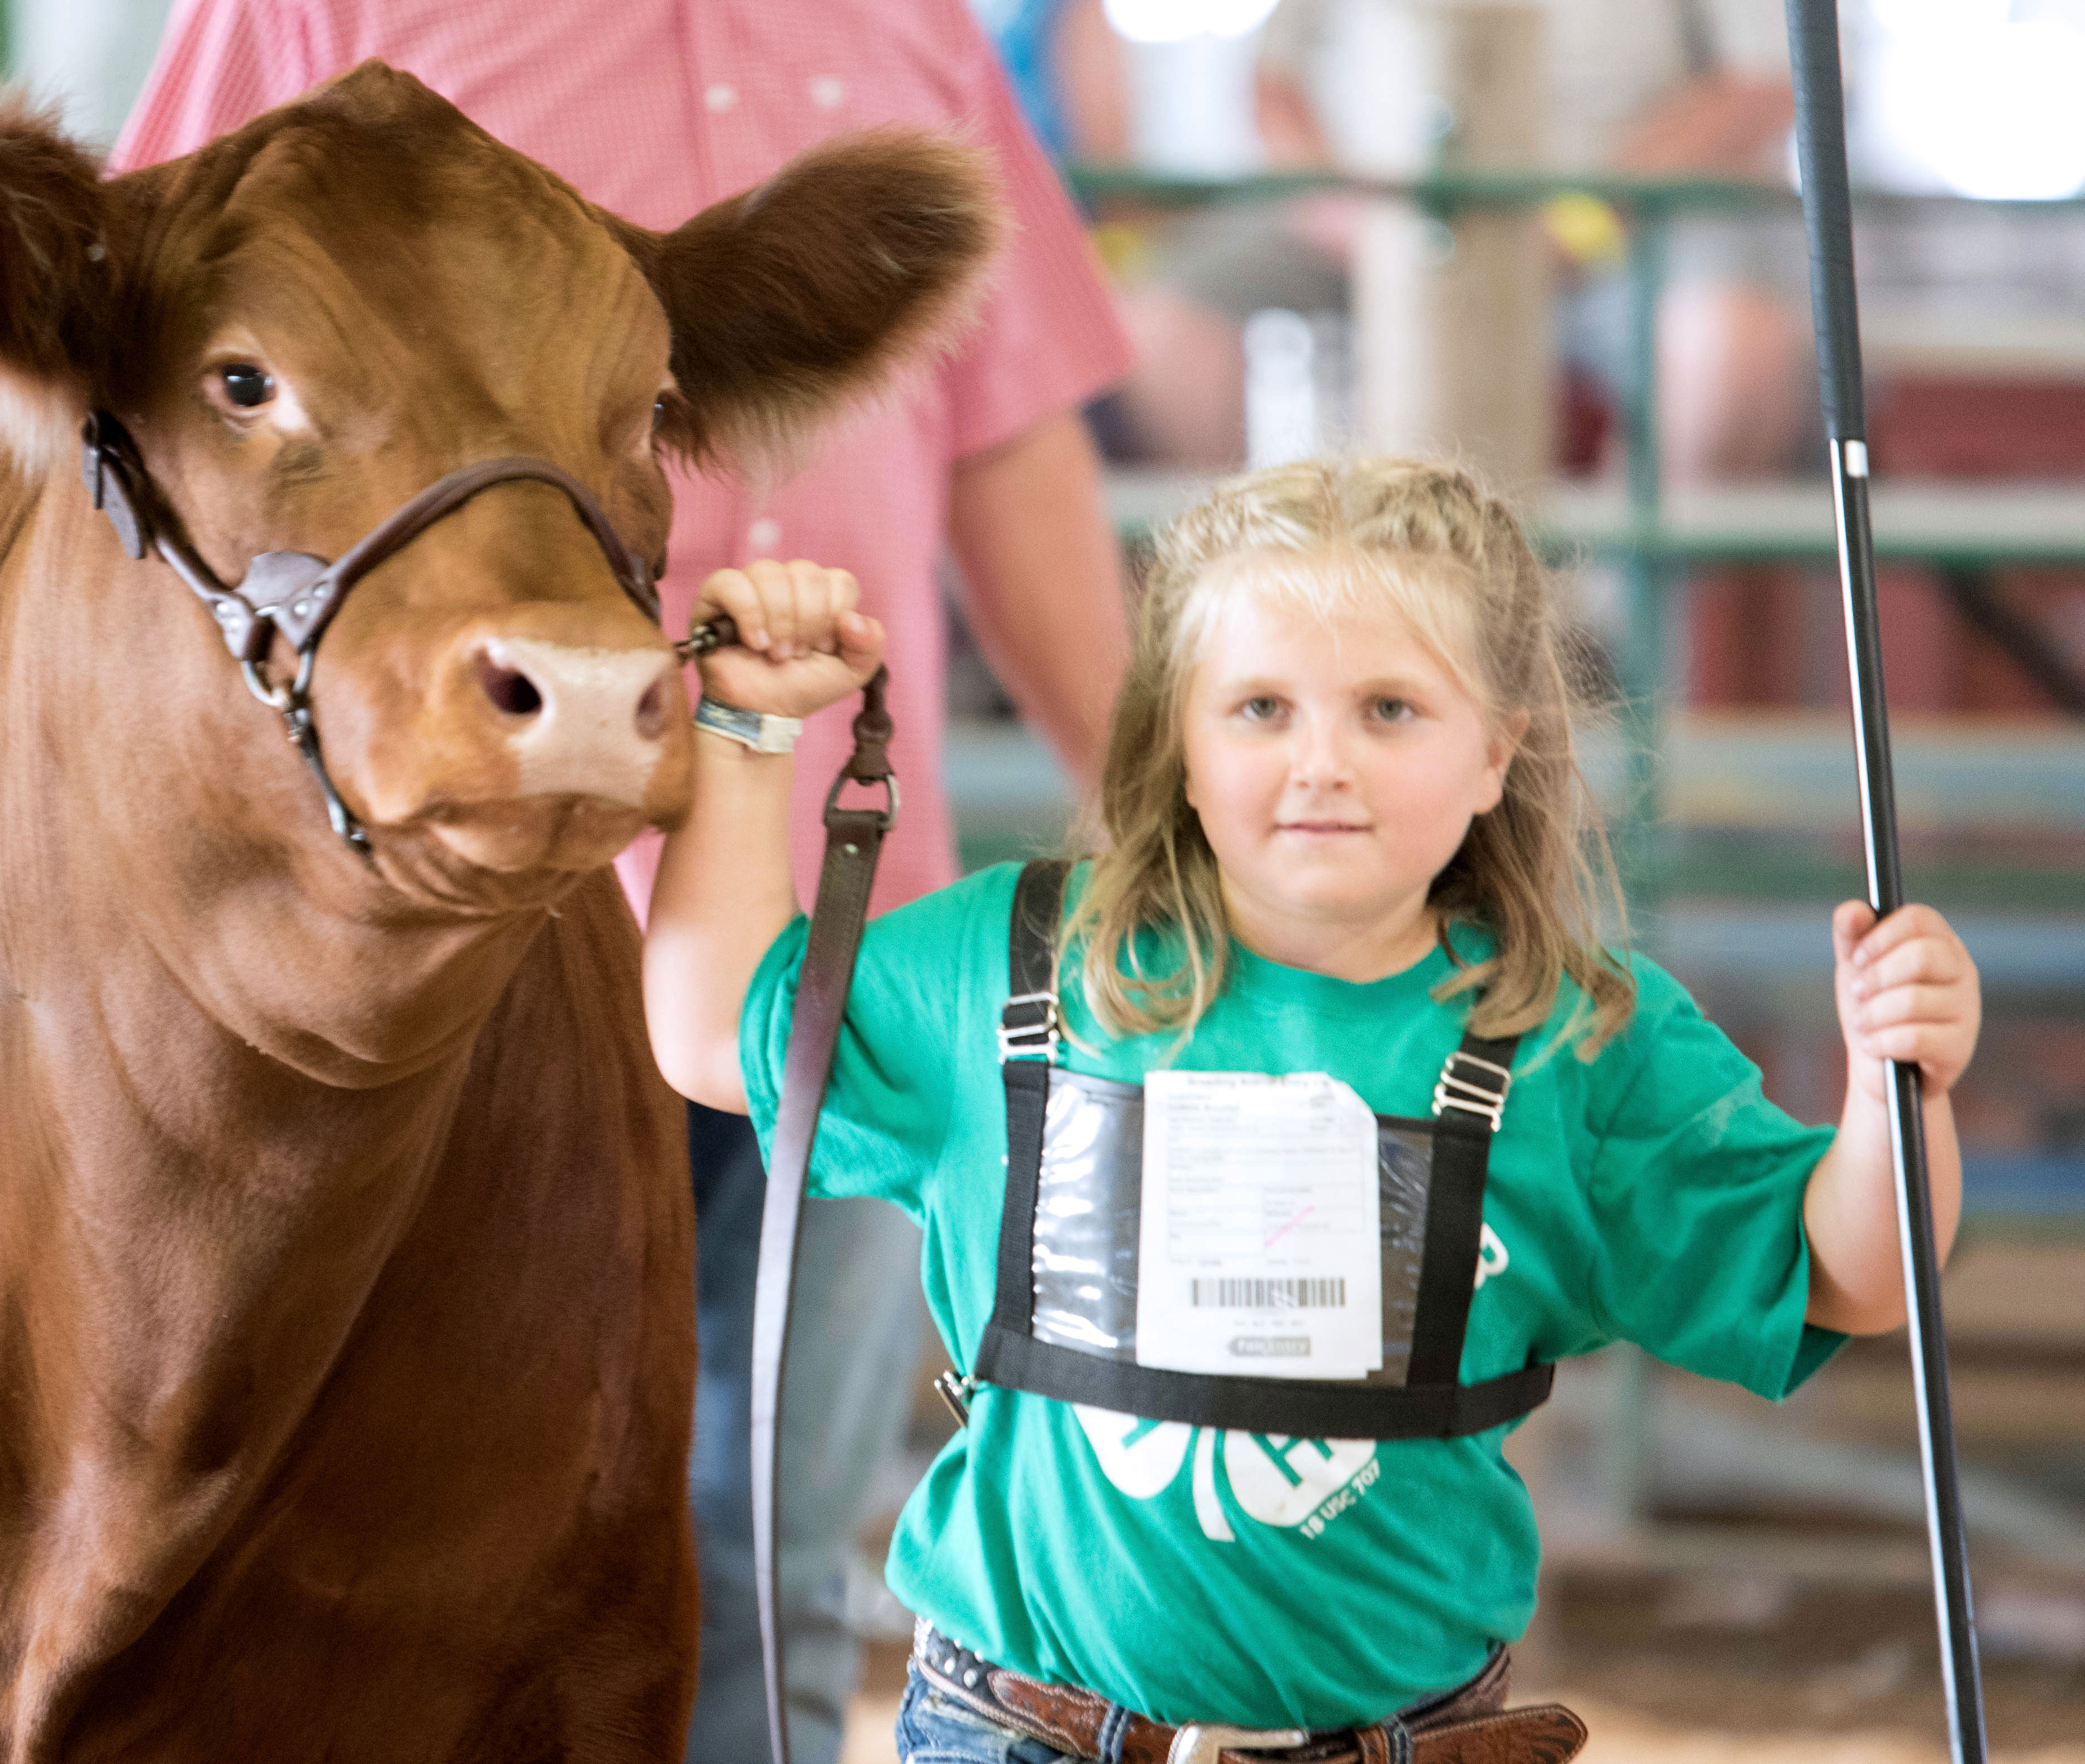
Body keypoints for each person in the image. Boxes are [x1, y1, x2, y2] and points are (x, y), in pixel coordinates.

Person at [109, 10, 1135, 1763]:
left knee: (773, 1568)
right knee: (410, 1557)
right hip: (458, 928)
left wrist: (1156, 811)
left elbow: (1002, 429)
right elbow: (137, 388)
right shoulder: (314, 12)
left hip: (842, 939)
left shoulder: (914, 28)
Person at [644, 457, 1981, 1758]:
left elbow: (1848, 1275)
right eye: (1262, 709)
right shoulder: (1010, 969)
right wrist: (752, 728)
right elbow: (718, 1033)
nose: (1321, 763)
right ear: (1179, 738)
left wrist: (1892, 1087)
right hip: (1020, 1731)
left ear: (1495, 753)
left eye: (1390, 710)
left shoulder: (1574, 1037)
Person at [1109, 0, 1813, 481]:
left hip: (1615, 223)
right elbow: (1272, 85)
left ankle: (1604, 628)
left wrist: (1580, 219)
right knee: (1159, 327)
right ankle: (1258, 602)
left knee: (1736, 347)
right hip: (1364, 219)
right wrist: (1354, 220)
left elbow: (1761, 81)